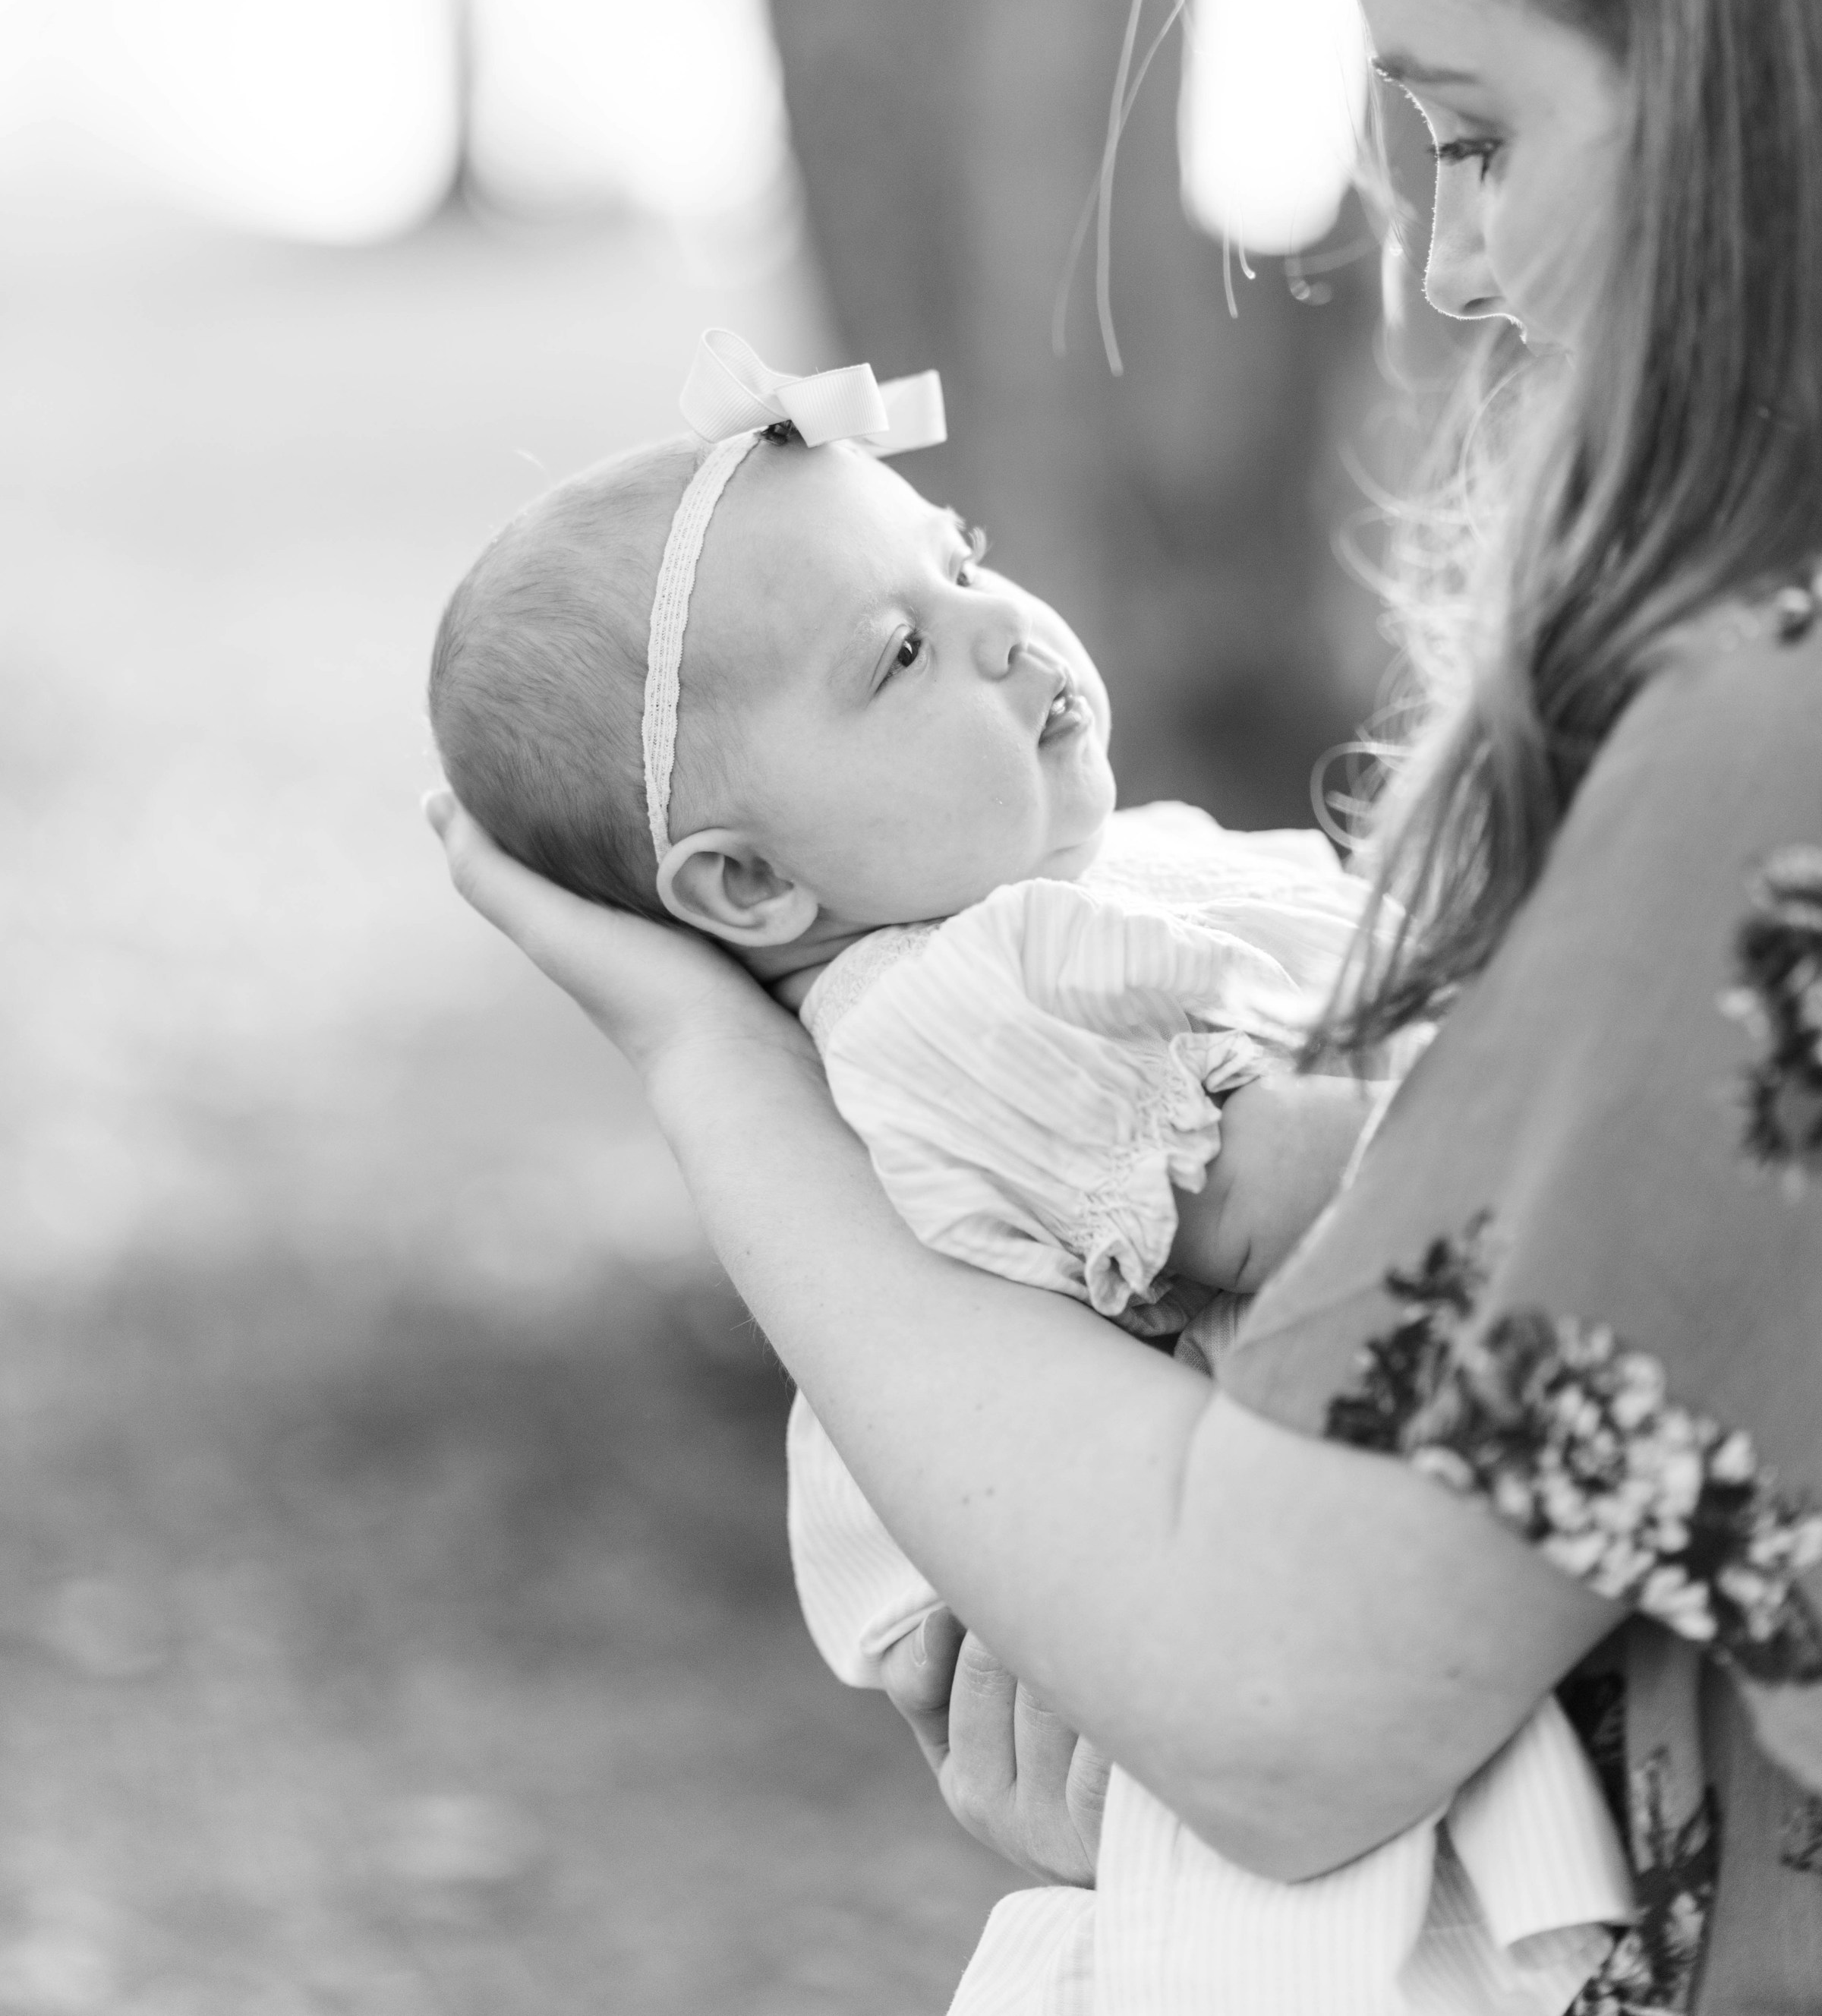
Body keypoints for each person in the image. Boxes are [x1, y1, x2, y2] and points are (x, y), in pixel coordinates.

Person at [426, 0, 1822, 2014]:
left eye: (1478, 129)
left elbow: (1284, 1689)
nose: (1443, 248)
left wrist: (718, 1080)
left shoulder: (1767, 757)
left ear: (1763, 98)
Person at [427, 327, 1631, 2009]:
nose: (1001, 628)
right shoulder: (956, 1011)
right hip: (1286, 1645)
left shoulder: (1108, 892)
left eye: (963, 560)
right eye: (899, 653)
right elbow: (1294, 1198)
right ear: (753, 888)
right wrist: (1614, 1072)